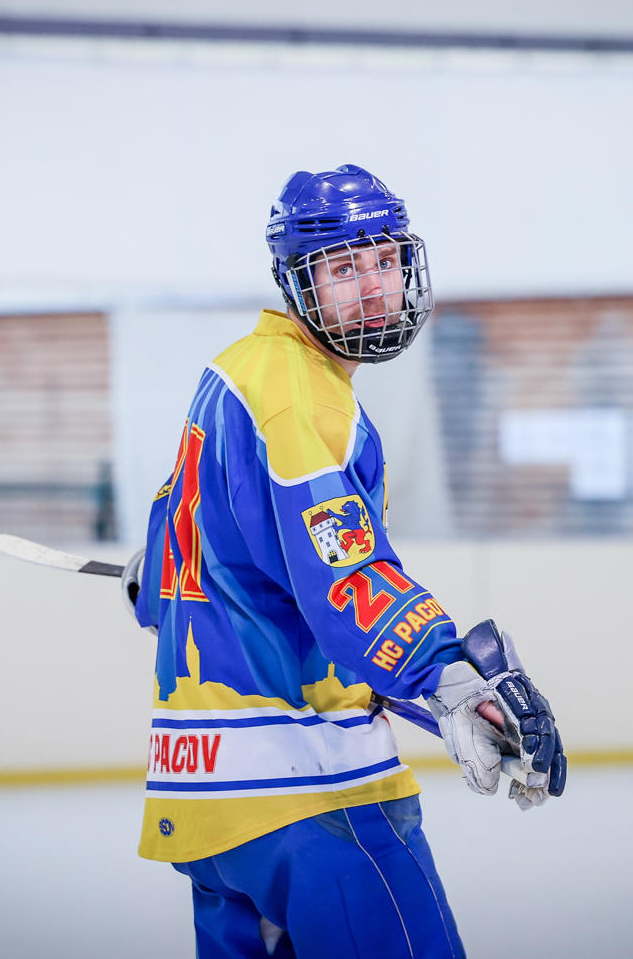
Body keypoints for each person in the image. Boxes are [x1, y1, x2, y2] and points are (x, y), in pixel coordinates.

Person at [119, 165, 566, 958]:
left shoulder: (233, 374)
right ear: (299, 281)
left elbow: (169, 566)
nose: (373, 287)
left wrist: (156, 573)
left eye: (386, 260)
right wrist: (447, 674)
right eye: (343, 268)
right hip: (309, 791)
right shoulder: (302, 395)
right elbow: (344, 575)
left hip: (207, 805)